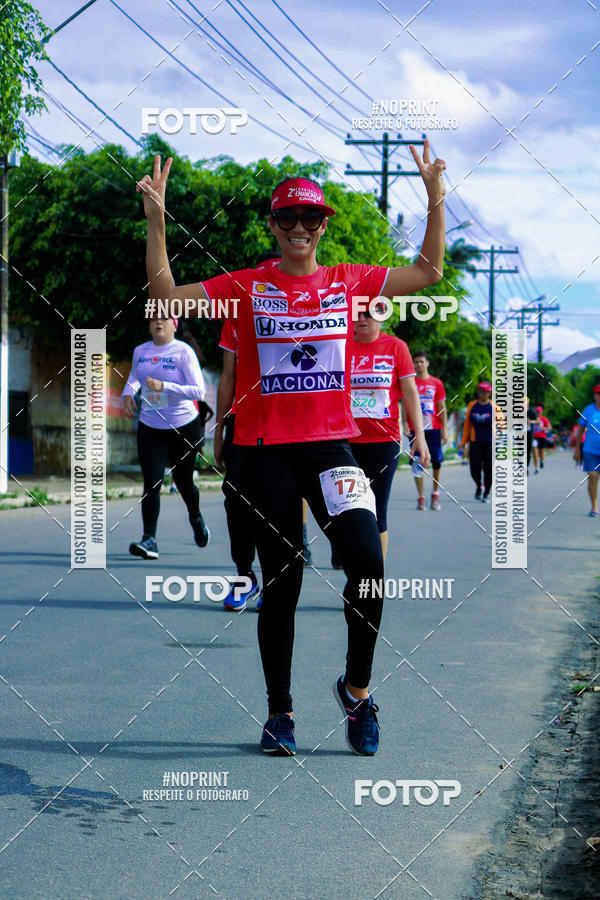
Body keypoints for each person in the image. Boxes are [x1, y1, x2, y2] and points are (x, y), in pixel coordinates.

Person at [137, 142, 446, 756]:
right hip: (264, 451)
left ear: (323, 225)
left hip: (333, 448)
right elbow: (168, 297)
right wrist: (156, 221)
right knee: (284, 581)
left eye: (311, 218)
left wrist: (435, 196)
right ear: (274, 227)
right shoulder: (247, 286)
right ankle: (280, 713)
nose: (300, 228)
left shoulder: (349, 282)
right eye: (288, 218)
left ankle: (356, 692)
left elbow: (429, 272)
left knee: (367, 561)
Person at [122, 314, 210, 559]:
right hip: (150, 426)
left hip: (183, 426)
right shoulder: (141, 351)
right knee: (152, 483)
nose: (158, 323)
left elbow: (198, 390)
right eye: (153, 319)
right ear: (149, 325)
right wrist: (128, 394)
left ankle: (196, 516)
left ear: (175, 325)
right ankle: (149, 539)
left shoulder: (183, 352)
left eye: (164, 319)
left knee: (184, 484)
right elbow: (134, 378)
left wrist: (164, 387)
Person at [349, 306, 423, 558]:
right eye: (356, 313)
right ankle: (344, 549)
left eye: (368, 314)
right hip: (344, 441)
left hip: (384, 440)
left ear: (381, 317)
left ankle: (372, 577)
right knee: (346, 508)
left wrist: (419, 436)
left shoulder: (396, 347)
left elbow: (410, 392)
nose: (361, 319)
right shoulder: (339, 344)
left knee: (377, 509)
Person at [402, 350, 447, 511]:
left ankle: (435, 494)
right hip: (416, 429)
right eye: (416, 362)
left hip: (433, 428)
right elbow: (406, 404)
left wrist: (445, 430)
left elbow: (442, 407)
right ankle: (421, 497)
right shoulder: (410, 382)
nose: (419, 365)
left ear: (427, 363)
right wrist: (405, 422)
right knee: (417, 462)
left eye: (422, 361)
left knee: (436, 462)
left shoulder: (437, 383)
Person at [458, 382, 498, 502]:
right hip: (475, 441)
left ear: (489, 393)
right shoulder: (472, 405)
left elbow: (502, 424)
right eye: (480, 391)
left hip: (490, 442)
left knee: (488, 469)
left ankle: (486, 493)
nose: (482, 394)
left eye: (485, 392)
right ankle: (479, 485)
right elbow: (467, 425)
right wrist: (463, 441)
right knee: (474, 467)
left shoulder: (494, 407)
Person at [573, 385, 600, 516]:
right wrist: (577, 449)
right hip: (590, 450)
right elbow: (579, 430)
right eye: (598, 394)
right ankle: (594, 507)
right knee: (593, 476)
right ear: (594, 395)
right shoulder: (589, 410)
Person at [526, 397, 539, 474]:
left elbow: (538, 421)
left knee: (528, 451)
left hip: (529, 433)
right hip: (519, 433)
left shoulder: (531, 411)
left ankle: (526, 467)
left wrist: (530, 421)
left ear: (527, 403)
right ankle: (522, 465)